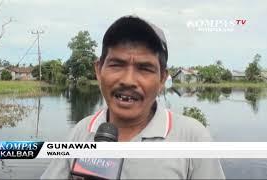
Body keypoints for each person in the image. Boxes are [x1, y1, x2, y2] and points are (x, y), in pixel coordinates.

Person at [41, 15, 225, 179]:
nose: (128, 80)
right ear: (98, 70)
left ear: (162, 78)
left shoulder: (192, 138)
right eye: (117, 65)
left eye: (144, 68)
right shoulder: (81, 132)